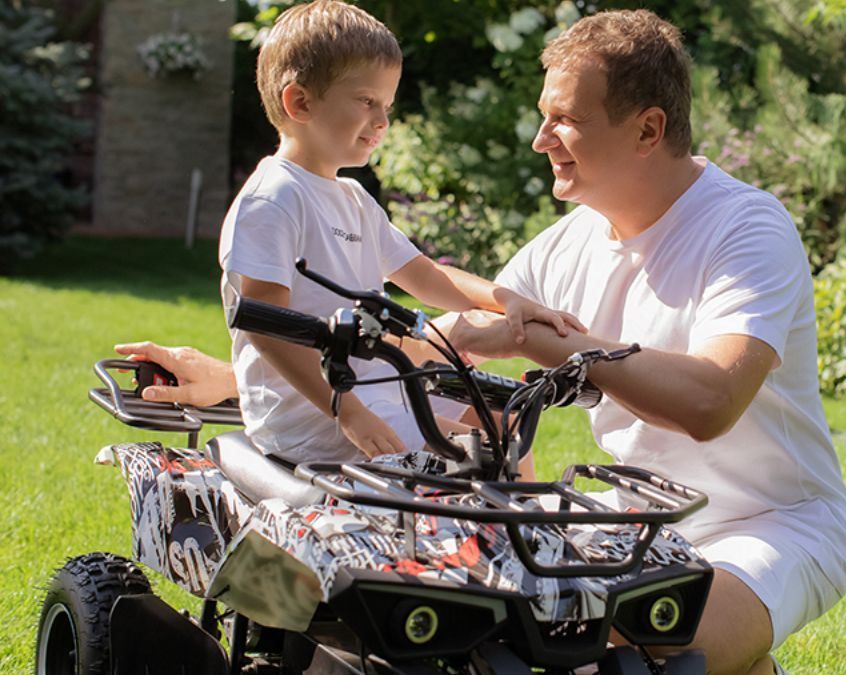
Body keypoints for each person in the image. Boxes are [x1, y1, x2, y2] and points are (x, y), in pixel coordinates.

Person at [119, 8, 846, 673]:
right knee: (473, 628)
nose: (540, 140)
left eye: (563, 120)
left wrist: (556, 346)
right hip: (633, 522)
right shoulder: (566, 246)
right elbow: (435, 353)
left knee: (644, 648)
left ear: (647, 130)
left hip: (769, 525)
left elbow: (711, 399)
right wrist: (239, 377)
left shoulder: (747, 229)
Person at [220, 0, 580, 466]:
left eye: (386, 105)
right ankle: (515, 535)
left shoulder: (351, 198)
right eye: (367, 101)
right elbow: (268, 330)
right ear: (300, 102)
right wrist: (345, 411)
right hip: (312, 419)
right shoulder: (274, 199)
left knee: (503, 416)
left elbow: (426, 276)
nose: (382, 120)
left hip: (370, 389)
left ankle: (509, 533)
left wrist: (506, 300)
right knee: (490, 452)